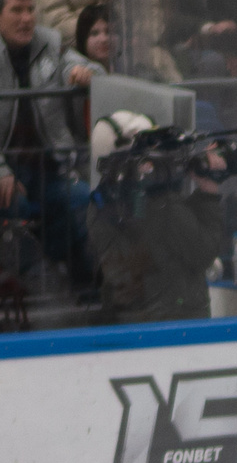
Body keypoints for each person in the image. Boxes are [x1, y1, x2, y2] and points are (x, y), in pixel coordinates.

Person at [0, 0, 96, 275]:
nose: (27, 18)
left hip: (50, 170)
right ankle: (23, 284)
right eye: (16, 10)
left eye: (31, 10)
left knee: (83, 198)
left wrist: (80, 72)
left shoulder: (50, 41)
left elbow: (85, 67)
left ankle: (75, 281)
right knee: (12, 207)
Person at [84, 112, 229, 323]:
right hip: (178, 326)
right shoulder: (162, 206)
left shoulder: (99, 203)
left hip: (128, 323)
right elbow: (203, 251)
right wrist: (208, 194)